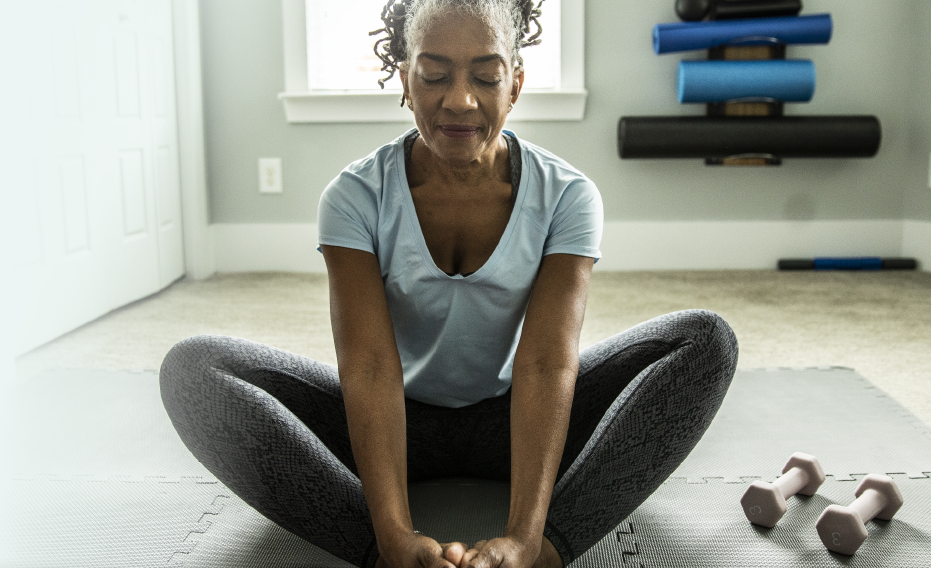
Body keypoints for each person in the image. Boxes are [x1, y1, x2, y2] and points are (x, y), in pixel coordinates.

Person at [159, 1, 738, 567]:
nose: (460, 100)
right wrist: (391, 534)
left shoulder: (568, 195)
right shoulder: (354, 197)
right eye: (434, 75)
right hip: (395, 421)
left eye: (486, 77)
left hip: (514, 417)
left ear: (514, 85)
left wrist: (525, 538)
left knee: (704, 339)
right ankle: (383, 556)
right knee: (193, 370)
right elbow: (368, 367)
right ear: (406, 80)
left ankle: (551, 551)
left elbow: (545, 364)